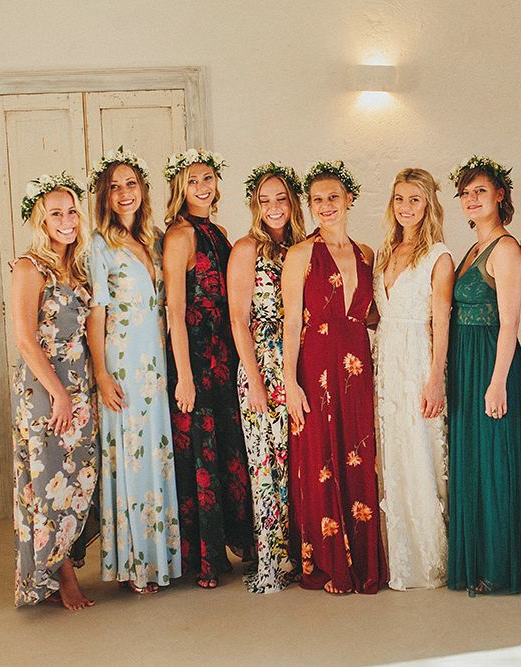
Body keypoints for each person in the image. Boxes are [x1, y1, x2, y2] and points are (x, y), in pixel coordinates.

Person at [282, 160, 386, 594]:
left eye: (333, 198)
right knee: (320, 457)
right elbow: (290, 322)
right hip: (317, 366)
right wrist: (290, 382)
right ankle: (326, 563)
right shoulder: (301, 253)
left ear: (349, 201)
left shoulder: (367, 253)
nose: (325, 206)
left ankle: (363, 559)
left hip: (357, 367)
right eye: (317, 199)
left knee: (359, 453)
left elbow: (375, 313)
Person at [86, 147, 181, 594]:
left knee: (157, 455)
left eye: (131, 184)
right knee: (130, 458)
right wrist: (102, 376)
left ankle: (162, 557)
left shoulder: (157, 238)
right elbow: (97, 313)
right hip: (123, 363)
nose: (125, 193)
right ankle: (135, 564)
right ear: (105, 196)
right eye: (115, 186)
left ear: (143, 190)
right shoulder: (100, 244)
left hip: (157, 363)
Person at [162, 148, 254, 588]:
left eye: (208, 178)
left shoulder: (217, 232)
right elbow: (174, 311)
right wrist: (183, 374)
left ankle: (234, 546)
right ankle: (204, 559)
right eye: (193, 179)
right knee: (200, 451)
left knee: (226, 445)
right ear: (181, 187)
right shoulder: (179, 235)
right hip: (195, 357)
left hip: (223, 354)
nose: (202, 186)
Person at [12, 173, 98, 610]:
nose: (66, 220)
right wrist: (59, 394)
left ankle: (64, 561)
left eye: (71, 212)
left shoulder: (78, 266)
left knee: (79, 480)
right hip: (45, 389)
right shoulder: (30, 267)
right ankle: (61, 578)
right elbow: (25, 339)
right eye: (55, 214)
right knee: (48, 482)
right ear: (40, 220)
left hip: (81, 386)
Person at [447, 155, 521, 596]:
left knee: (494, 460)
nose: (472, 199)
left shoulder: (506, 249)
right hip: (464, 359)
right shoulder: (472, 250)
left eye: (481, 191)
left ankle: (497, 565)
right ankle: (474, 559)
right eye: (466, 193)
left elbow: (510, 321)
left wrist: (498, 380)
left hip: (491, 363)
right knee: (472, 459)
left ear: (500, 195)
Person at [227, 163, 306, 593]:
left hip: (300, 364)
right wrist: (255, 381)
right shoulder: (246, 249)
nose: (273, 207)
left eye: (281, 199)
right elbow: (238, 321)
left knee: (298, 461)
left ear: (292, 202)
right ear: (256, 207)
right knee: (266, 466)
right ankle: (273, 560)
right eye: (265, 200)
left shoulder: (304, 246)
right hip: (261, 363)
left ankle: (303, 553)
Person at [373, 167, 453, 590]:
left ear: (428, 205)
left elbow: (442, 320)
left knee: (421, 452)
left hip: (419, 361)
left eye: (415, 200)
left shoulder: (437, 256)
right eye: (400, 199)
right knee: (392, 453)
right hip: (386, 361)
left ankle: (430, 558)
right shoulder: (384, 252)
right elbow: (373, 315)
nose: (406, 207)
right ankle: (395, 556)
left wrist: (435, 377)